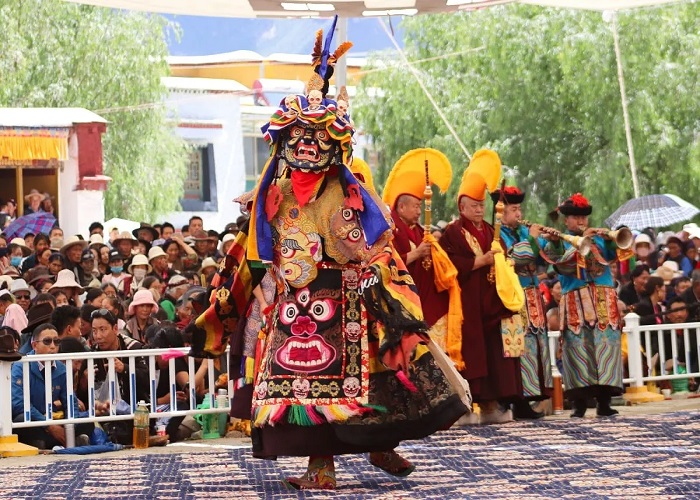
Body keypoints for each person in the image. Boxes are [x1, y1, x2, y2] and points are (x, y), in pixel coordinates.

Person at [193, 34, 468, 490]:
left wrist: (381, 285)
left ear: (334, 144)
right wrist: (226, 305)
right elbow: (254, 253)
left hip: (344, 305)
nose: (306, 146)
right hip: (291, 307)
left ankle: (373, 447)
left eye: (316, 138)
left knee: (366, 382)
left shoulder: (347, 193)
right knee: (308, 393)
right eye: (298, 138)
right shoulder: (273, 194)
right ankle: (331, 463)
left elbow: (372, 249)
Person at [440, 150, 523, 424]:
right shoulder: (453, 232)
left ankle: (490, 405)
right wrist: (480, 261)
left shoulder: (490, 230)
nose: (479, 209)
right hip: (466, 302)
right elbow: (448, 264)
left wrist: (500, 260)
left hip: (490, 301)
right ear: (462, 208)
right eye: (474, 205)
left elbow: (502, 256)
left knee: (493, 353)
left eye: (481, 205)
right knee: (471, 352)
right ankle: (465, 406)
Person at [543, 193, 625, 418]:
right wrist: (580, 242)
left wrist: (610, 239)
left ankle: (605, 401)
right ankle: (578, 403)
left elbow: (617, 254)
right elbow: (560, 264)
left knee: (606, 347)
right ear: (566, 220)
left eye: (584, 217)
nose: (581, 221)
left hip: (602, 300)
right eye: (575, 217)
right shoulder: (558, 241)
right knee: (577, 348)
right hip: (575, 301)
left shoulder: (598, 239)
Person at [381, 148, 457, 360]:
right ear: (401, 207)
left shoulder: (418, 230)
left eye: (420, 206)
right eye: (415, 206)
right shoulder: (391, 229)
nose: (418, 211)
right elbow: (387, 263)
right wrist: (416, 254)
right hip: (401, 299)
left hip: (422, 296)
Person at [494, 185, 552, 419]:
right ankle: (518, 399)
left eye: (519, 209)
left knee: (535, 345)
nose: (519, 214)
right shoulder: (497, 233)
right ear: (501, 212)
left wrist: (551, 241)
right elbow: (516, 257)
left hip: (533, 294)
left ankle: (531, 397)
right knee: (518, 346)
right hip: (514, 297)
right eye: (514, 209)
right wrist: (533, 239)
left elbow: (546, 255)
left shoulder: (522, 231)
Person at [11, 323, 92, 449]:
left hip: (53, 418)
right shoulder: (20, 366)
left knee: (87, 420)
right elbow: (18, 404)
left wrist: (69, 428)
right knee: (23, 420)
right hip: (35, 421)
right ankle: (61, 442)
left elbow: (70, 402)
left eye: (56, 341)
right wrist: (49, 426)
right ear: (34, 345)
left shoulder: (62, 368)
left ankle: (62, 440)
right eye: (47, 341)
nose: (53, 346)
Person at [91, 308, 149, 444]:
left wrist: (124, 368)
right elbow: (86, 392)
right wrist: (84, 381)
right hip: (104, 411)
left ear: (115, 329)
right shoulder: (92, 354)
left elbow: (147, 379)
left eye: (103, 330)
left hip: (135, 407)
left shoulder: (133, 348)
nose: (98, 336)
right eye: (94, 331)